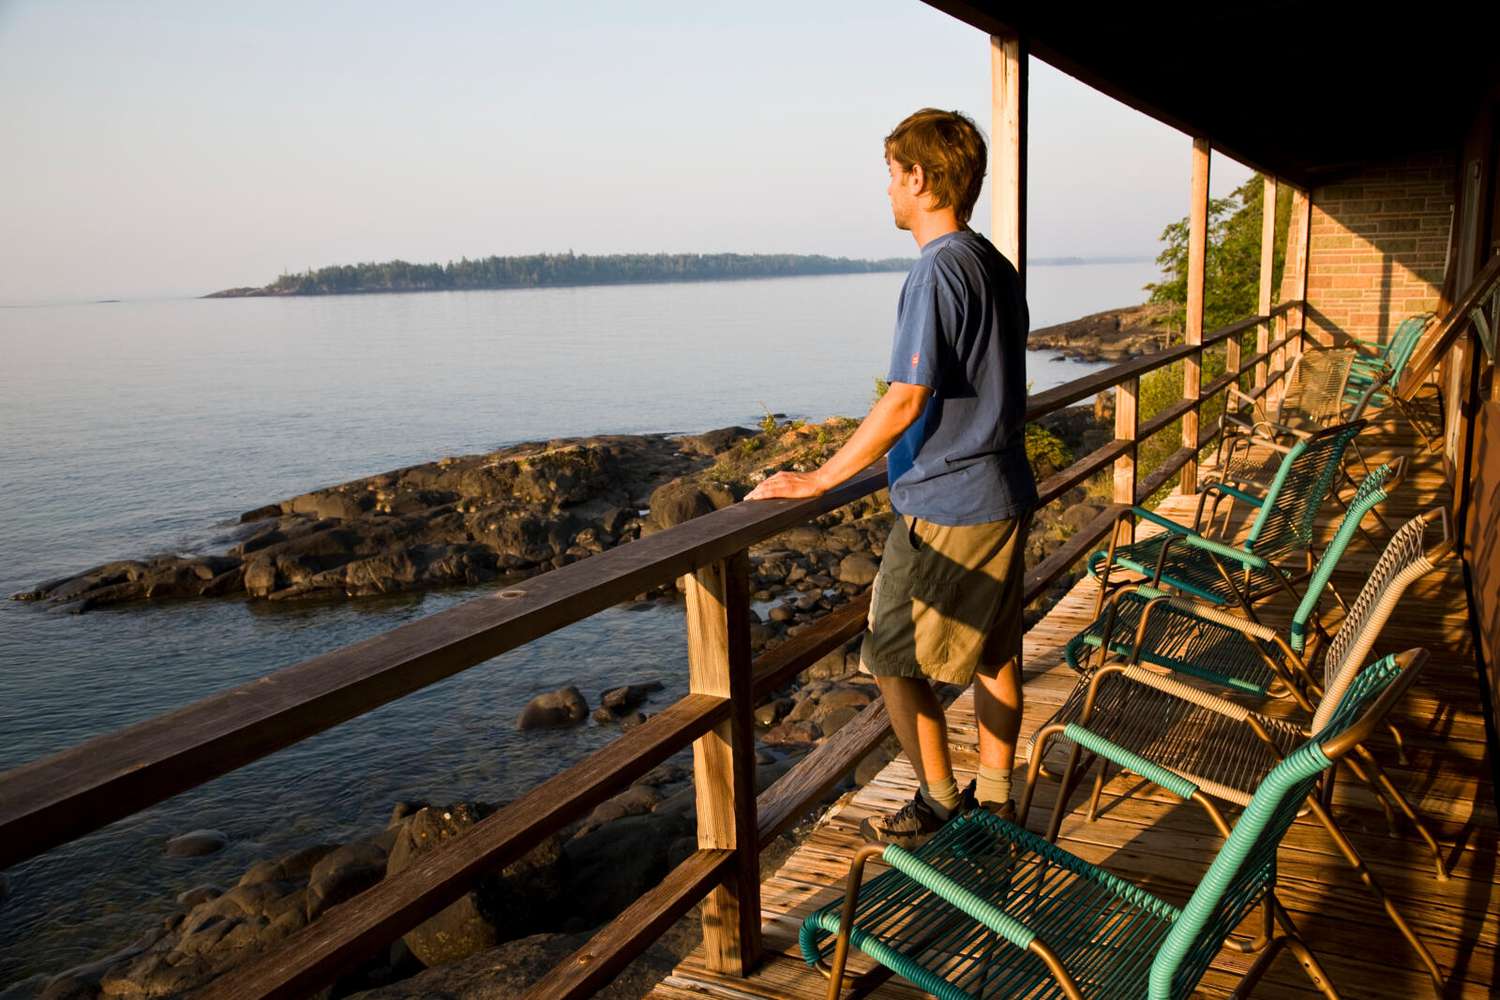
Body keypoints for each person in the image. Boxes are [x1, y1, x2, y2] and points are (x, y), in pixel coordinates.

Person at [745, 108, 1035, 848]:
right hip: (1001, 490)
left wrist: (818, 478)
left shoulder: (936, 270)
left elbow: (906, 396)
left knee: (891, 658)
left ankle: (940, 804)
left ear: (919, 178)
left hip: (950, 501)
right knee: (994, 653)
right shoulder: (991, 264)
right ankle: (998, 800)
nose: (886, 193)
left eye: (890, 176)